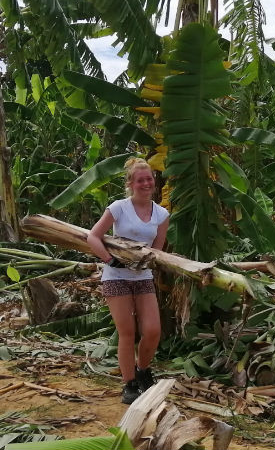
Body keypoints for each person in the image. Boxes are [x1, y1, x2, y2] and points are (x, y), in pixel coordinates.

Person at [86, 157, 170, 404]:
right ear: (131, 184)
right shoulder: (118, 208)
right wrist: (110, 261)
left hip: (143, 276)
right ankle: (129, 383)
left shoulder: (162, 214)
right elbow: (93, 236)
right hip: (117, 276)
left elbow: (158, 249)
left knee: (153, 330)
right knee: (127, 332)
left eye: (149, 179)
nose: (146, 183)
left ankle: (143, 370)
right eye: (140, 180)